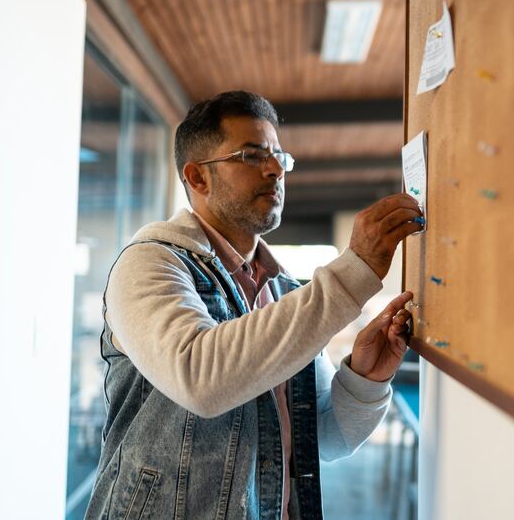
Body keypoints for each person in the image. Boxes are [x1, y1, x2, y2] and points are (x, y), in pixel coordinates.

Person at [84, 90, 423, 520]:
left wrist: (365, 379)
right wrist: (352, 273)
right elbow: (200, 380)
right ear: (197, 178)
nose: (276, 169)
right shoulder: (150, 262)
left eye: (280, 156)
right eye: (252, 155)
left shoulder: (281, 291)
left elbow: (323, 439)